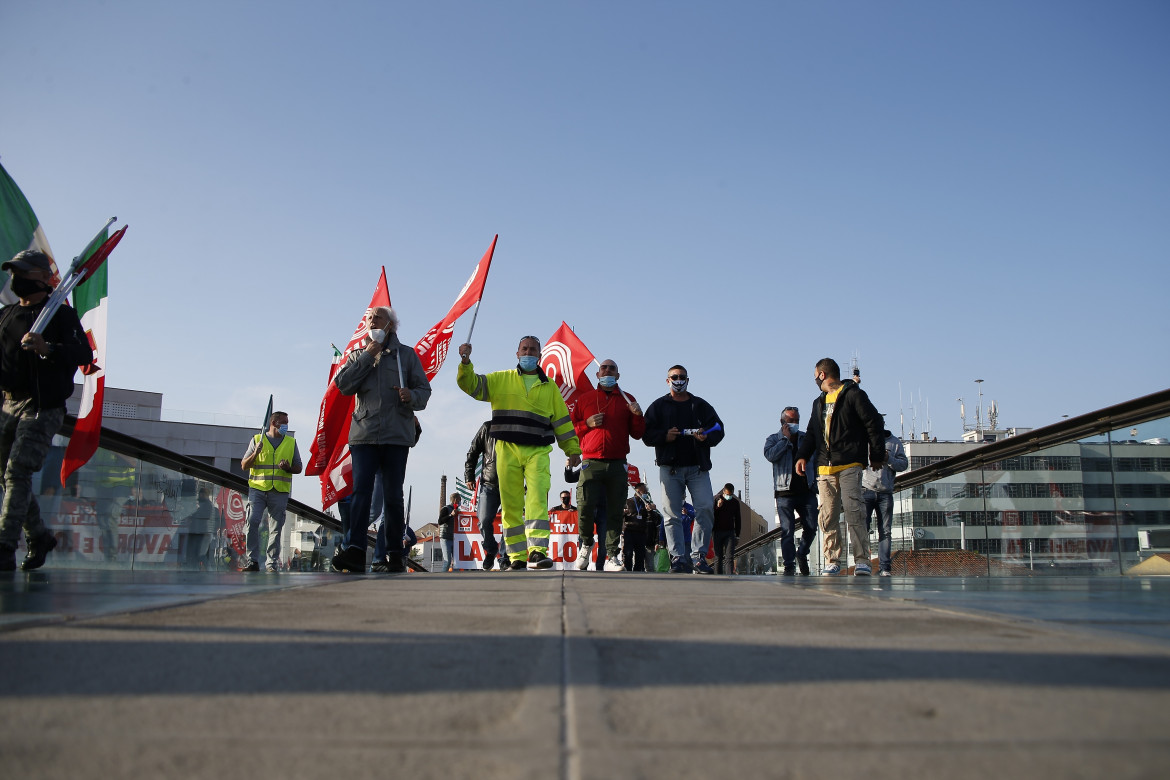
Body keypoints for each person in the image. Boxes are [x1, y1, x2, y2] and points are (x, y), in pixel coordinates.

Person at [0, 249, 92, 571]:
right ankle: (39, 536)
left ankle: (4, 546)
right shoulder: (7, 314)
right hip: (9, 403)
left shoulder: (60, 315)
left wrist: (48, 348)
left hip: (43, 407)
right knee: (7, 476)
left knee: (17, 472)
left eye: (23, 272)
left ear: (41, 277)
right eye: (14, 272)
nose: (16, 279)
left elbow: (84, 353)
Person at [456, 337, 582, 570]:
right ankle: (516, 556)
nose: (528, 352)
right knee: (512, 504)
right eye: (524, 349)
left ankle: (536, 551)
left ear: (540, 356)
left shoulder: (550, 387)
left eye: (533, 349)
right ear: (517, 353)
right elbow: (471, 385)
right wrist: (466, 362)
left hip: (538, 450)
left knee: (536, 497)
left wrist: (572, 449)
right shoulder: (500, 379)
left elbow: (562, 422)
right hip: (506, 449)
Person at [331, 306, 431, 573]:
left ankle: (395, 554)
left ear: (391, 326)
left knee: (392, 497)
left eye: (378, 317)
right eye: (369, 318)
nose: (372, 320)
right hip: (364, 434)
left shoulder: (407, 356)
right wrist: (367, 356)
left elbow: (424, 390)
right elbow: (343, 386)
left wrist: (412, 396)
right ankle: (355, 549)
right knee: (361, 492)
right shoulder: (357, 355)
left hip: (396, 435)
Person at [795, 358, 887, 576]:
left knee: (854, 510)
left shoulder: (853, 394)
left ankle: (862, 559)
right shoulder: (818, 403)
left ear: (822, 375)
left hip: (849, 463)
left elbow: (874, 423)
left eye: (815, 375)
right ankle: (832, 559)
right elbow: (811, 433)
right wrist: (802, 456)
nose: (814, 379)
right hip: (825, 468)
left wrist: (875, 454)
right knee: (827, 516)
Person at [642, 365, 724, 574]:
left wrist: (707, 437)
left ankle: (698, 558)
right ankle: (678, 558)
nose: (678, 380)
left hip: (698, 468)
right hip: (670, 469)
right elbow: (646, 434)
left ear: (688, 380)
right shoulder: (658, 406)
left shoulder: (700, 406)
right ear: (667, 381)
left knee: (705, 508)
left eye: (682, 377)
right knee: (671, 515)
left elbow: (719, 428)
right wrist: (664, 436)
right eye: (674, 377)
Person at [570, 358, 644, 572]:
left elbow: (638, 434)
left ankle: (612, 555)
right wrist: (587, 424)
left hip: (617, 462)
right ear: (598, 374)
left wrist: (638, 416)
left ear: (618, 375)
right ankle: (585, 544)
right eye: (604, 368)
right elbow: (570, 430)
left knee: (614, 510)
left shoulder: (627, 399)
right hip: (590, 461)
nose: (608, 371)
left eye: (612, 369)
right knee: (584, 507)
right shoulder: (585, 400)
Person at [239, 411, 302, 572]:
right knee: (252, 522)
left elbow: (299, 467)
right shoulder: (256, 440)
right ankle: (252, 561)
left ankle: (271, 563)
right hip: (258, 489)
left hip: (279, 491)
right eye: (284, 422)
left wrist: (288, 468)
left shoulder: (291, 442)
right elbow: (244, 465)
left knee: (276, 528)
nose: (287, 426)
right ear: (274, 423)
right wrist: (256, 453)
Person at [764, 406, 818, 576]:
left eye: (796, 421)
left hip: (806, 490)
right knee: (787, 530)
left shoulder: (806, 439)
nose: (794, 424)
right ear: (782, 422)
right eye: (790, 421)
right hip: (784, 492)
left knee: (811, 526)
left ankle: (801, 553)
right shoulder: (773, 439)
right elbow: (770, 456)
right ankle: (789, 566)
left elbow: (816, 460)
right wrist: (785, 440)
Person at [862, 426, 908, 576]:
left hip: (885, 492)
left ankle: (885, 567)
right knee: (862, 529)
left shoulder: (894, 442)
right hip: (866, 489)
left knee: (885, 531)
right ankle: (862, 564)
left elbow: (904, 464)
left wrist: (889, 459)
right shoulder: (865, 440)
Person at [465, 421, 504, 570]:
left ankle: (505, 557)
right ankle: (491, 549)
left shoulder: (516, 426)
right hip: (489, 483)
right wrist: (469, 475)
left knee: (510, 523)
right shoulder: (487, 427)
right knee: (483, 520)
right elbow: (473, 451)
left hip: (511, 484)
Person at [180, 483, 218, 569]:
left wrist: (192, 516)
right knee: (199, 554)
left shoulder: (207, 505)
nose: (200, 496)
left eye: (202, 494)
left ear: (206, 495)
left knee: (201, 554)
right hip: (202, 533)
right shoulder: (205, 505)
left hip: (204, 534)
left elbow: (203, 516)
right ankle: (205, 570)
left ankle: (210, 571)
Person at [621, 482, 656, 572]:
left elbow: (652, 519)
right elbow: (620, 516)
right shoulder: (628, 502)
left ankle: (638, 571)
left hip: (641, 532)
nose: (645, 493)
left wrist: (650, 511)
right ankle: (627, 570)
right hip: (629, 531)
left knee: (640, 554)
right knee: (628, 553)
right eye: (643, 491)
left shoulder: (647, 504)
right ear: (637, 491)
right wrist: (623, 513)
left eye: (646, 491)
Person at [712, 483, 742, 575]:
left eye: (731, 495)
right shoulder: (716, 499)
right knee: (718, 557)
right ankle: (718, 577)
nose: (729, 496)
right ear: (724, 492)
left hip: (729, 532)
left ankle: (729, 577)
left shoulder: (735, 503)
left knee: (729, 557)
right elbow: (711, 514)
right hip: (717, 532)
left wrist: (737, 535)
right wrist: (718, 506)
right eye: (727, 494)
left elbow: (738, 519)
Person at [437, 493, 459, 572]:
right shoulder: (446, 509)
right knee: (447, 561)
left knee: (457, 561)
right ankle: (443, 577)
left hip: (454, 538)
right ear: (455, 500)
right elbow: (440, 521)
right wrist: (451, 515)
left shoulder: (458, 511)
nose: (460, 502)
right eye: (459, 500)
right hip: (445, 537)